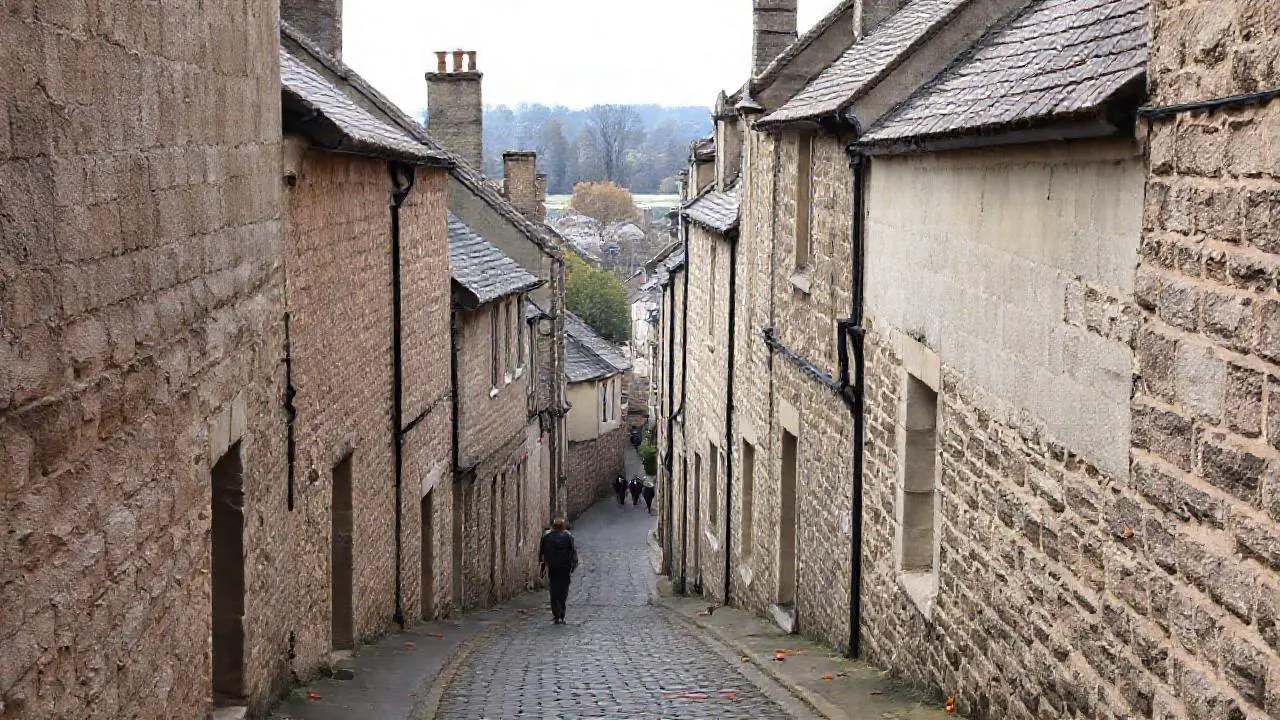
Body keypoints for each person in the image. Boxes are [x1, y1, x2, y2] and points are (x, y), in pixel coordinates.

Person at [539, 518, 578, 624]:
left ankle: (556, 613)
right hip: (565, 567)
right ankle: (561, 612)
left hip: (552, 567)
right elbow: (573, 552)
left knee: (553, 589)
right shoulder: (568, 536)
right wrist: (573, 565)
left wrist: (542, 566)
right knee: (563, 590)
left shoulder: (546, 536)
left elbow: (542, 553)